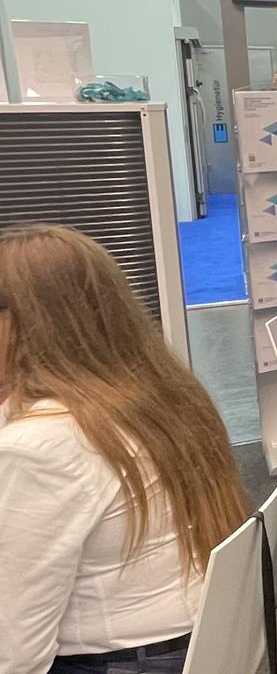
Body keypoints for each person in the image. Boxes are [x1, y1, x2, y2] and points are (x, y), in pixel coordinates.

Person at [0, 224, 250, 673]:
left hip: (111, 661)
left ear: (19, 325)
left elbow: (14, 650)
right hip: (198, 642)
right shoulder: (165, 395)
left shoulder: (40, 446)